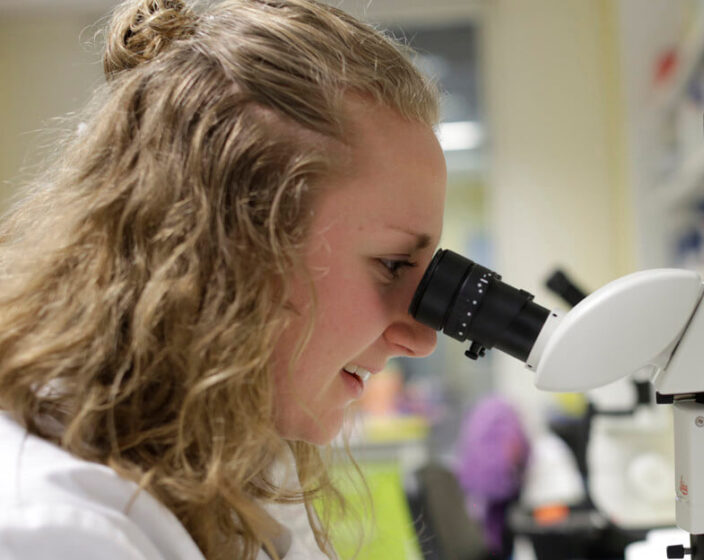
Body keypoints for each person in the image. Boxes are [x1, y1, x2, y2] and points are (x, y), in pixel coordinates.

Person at [0, 0, 445, 558]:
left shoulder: (234, 479)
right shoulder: (56, 530)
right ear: (220, 246)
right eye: (392, 265)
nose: (421, 338)